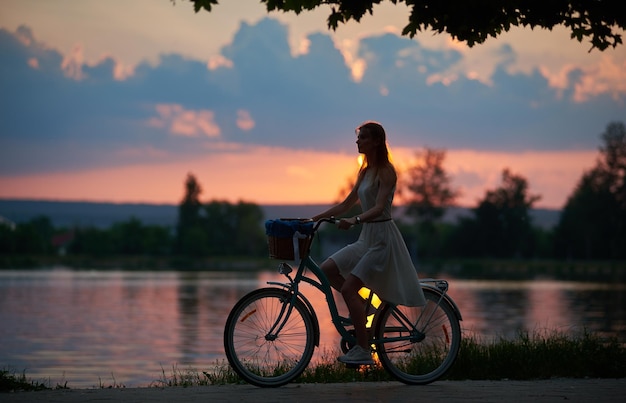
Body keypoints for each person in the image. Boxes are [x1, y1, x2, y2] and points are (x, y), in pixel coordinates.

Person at [311, 121, 426, 365]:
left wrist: (354, 220)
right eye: (358, 137)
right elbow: (345, 204)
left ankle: (364, 350)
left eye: (362, 137)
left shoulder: (386, 171)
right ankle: (363, 307)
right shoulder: (364, 171)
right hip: (366, 238)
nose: (357, 141)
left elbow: (378, 207)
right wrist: (313, 219)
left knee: (348, 288)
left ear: (375, 141)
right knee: (326, 270)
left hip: (382, 240)